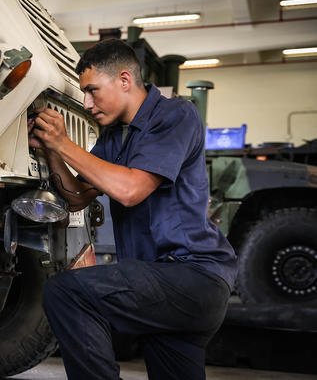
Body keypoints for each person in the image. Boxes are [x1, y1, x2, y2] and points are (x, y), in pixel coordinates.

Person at [28, 39, 238, 380]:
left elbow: (129, 190)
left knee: (65, 292)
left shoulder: (175, 115)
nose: (87, 103)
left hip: (192, 276)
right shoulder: (115, 137)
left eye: (93, 90)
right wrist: (52, 151)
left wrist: (63, 142)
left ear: (124, 80)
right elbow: (77, 196)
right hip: (162, 284)